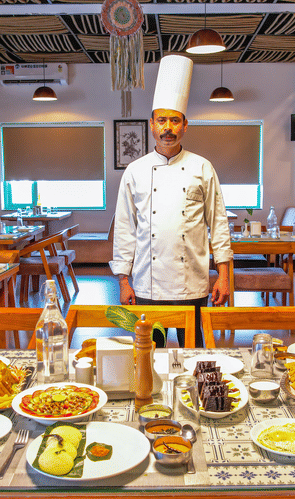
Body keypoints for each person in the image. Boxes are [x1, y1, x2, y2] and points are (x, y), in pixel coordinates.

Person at [110, 55, 233, 348]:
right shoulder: (135, 171)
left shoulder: (202, 167)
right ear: (152, 124)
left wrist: (224, 276)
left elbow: (218, 225)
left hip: (192, 281)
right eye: (162, 120)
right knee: (152, 351)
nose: (168, 127)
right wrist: (123, 281)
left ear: (185, 125)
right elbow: (125, 229)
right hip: (147, 283)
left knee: (195, 351)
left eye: (175, 120)